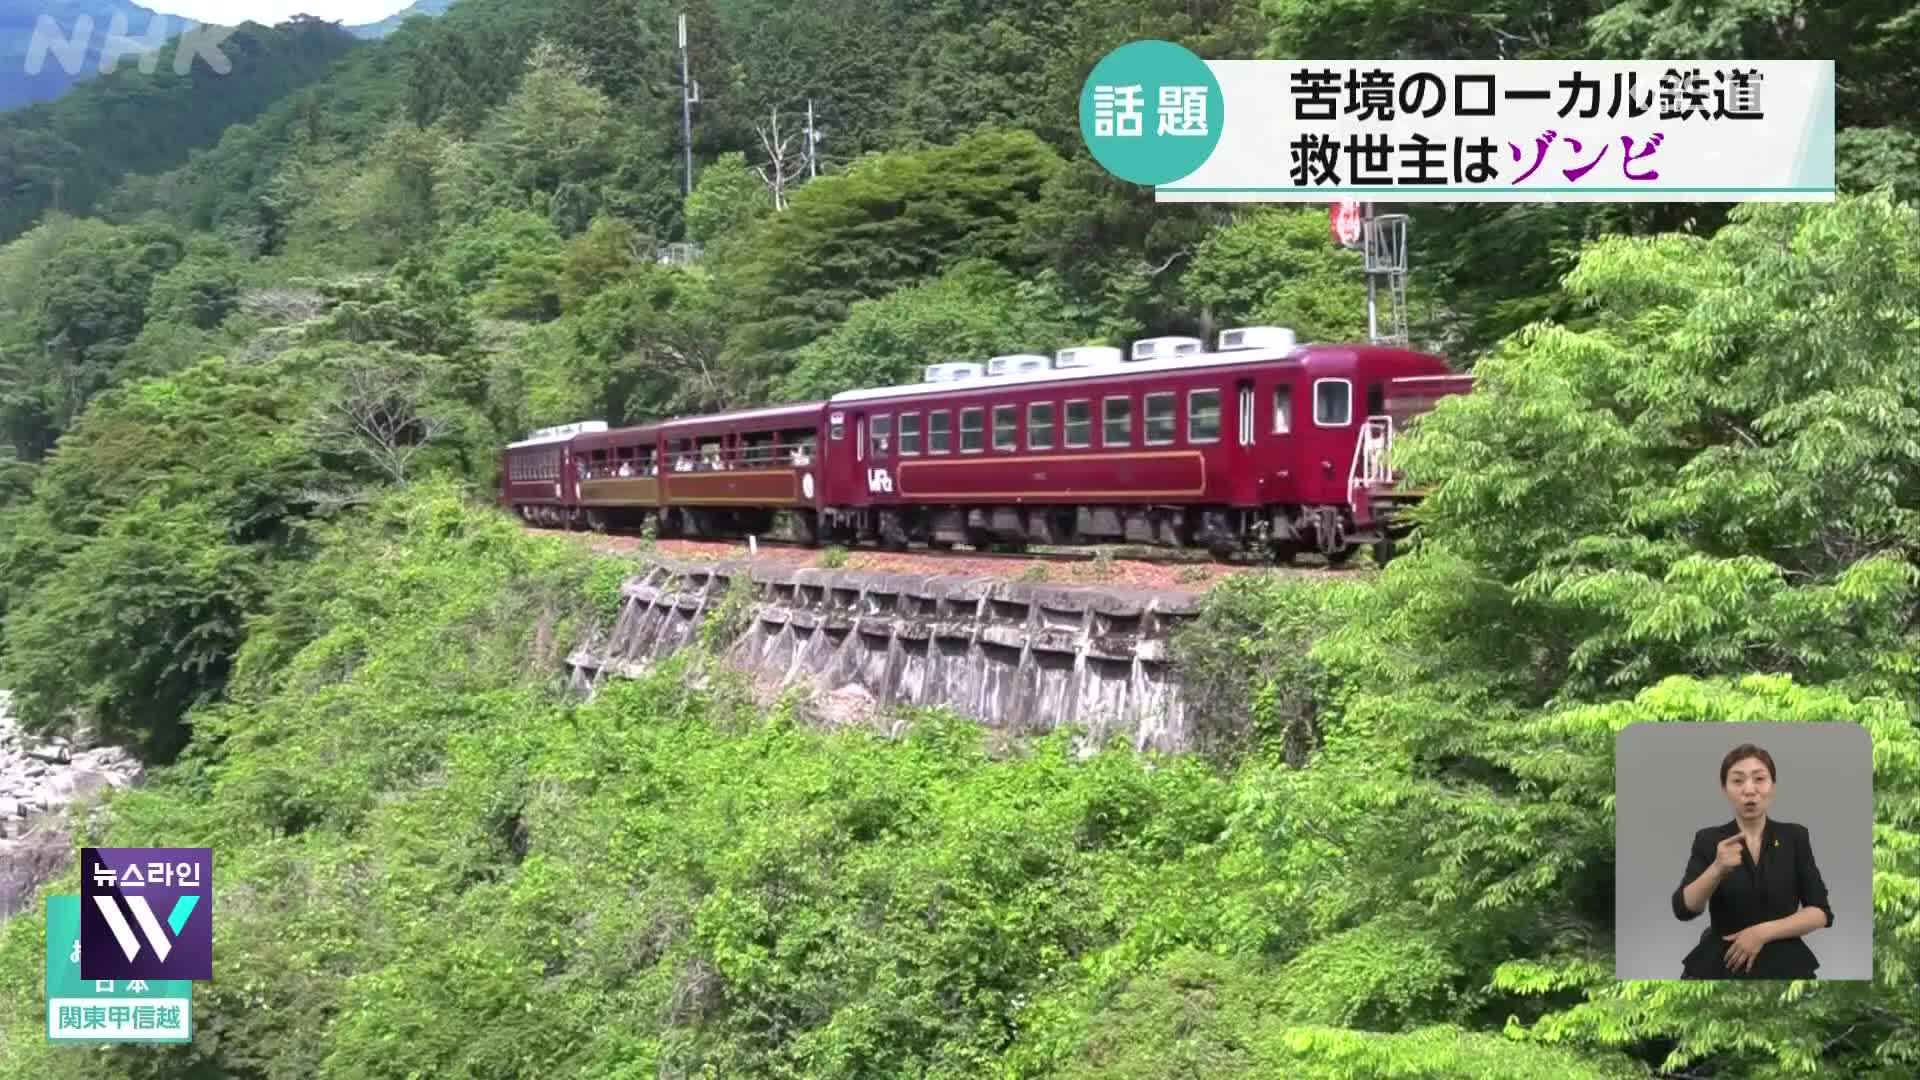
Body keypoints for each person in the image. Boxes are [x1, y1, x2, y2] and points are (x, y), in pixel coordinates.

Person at [1671, 743, 1834, 979]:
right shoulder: (1709, 839)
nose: (1749, 790)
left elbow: (1821, 912)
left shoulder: (1795, 837)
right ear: (1724, 789)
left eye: (1759, 779)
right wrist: (1716, 869)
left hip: (1786, 962)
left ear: (1773, 786)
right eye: (1737, 781)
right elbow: (1684, 908)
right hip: (1721, 961)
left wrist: (1761, 933)